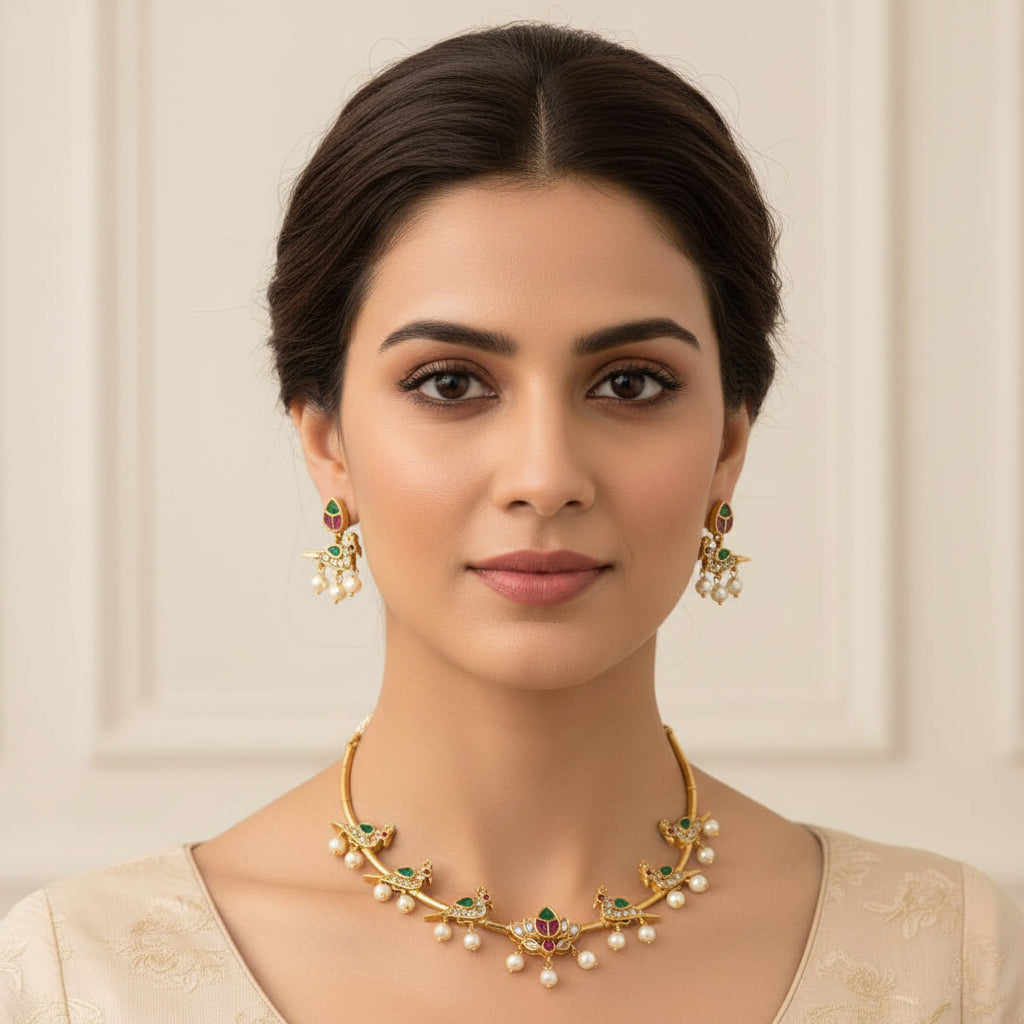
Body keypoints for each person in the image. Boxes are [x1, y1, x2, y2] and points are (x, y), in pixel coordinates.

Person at [2, 22, 1022, 1024]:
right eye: (450, 382)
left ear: (727, 443)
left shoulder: (948, 961)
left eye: (630, 382)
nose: (545, 476)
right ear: (326, 441)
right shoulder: (83, 980)